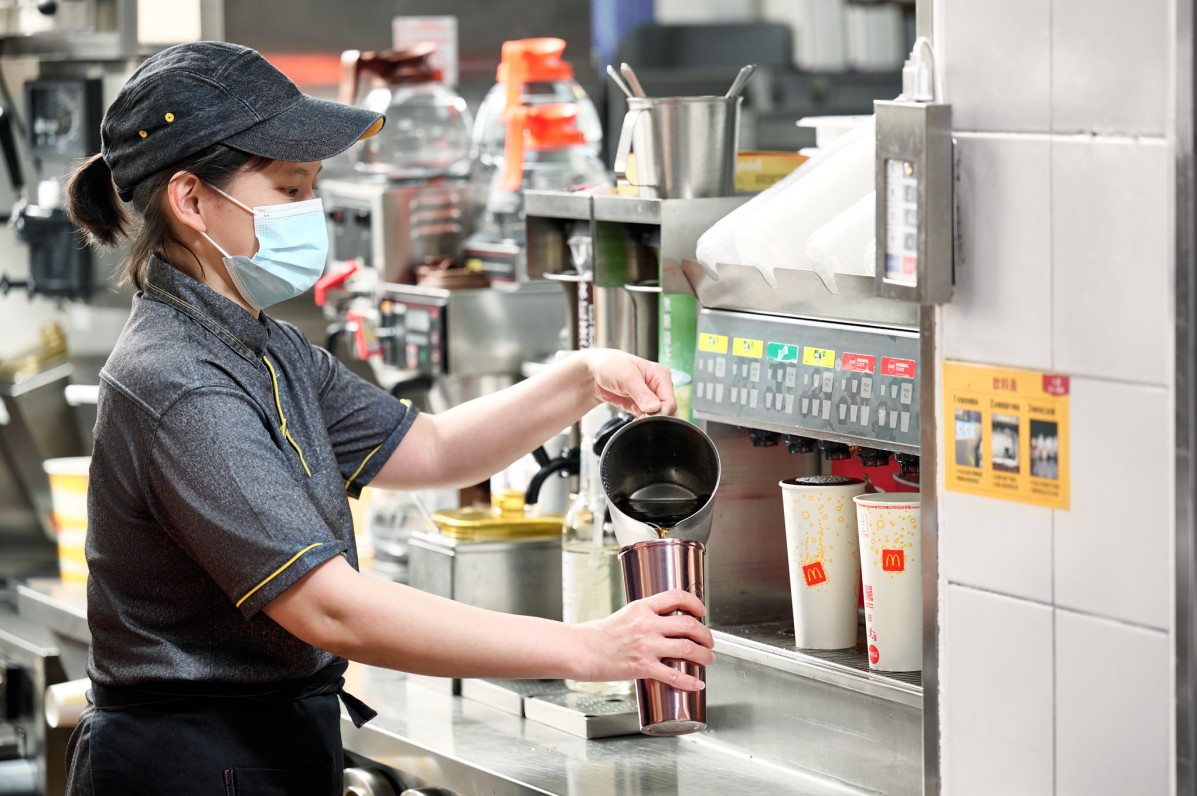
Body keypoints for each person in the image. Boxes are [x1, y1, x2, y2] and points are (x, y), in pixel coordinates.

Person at [62, 41, 714, 795]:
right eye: (288, 187)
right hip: (190, 763)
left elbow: (434, 449)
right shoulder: (180, 380)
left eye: (312, 187)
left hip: (264, 745)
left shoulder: (263, 347)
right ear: (191, 200)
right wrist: (587, 649)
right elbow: (331, 609)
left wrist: (580, 378)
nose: (310, 210)